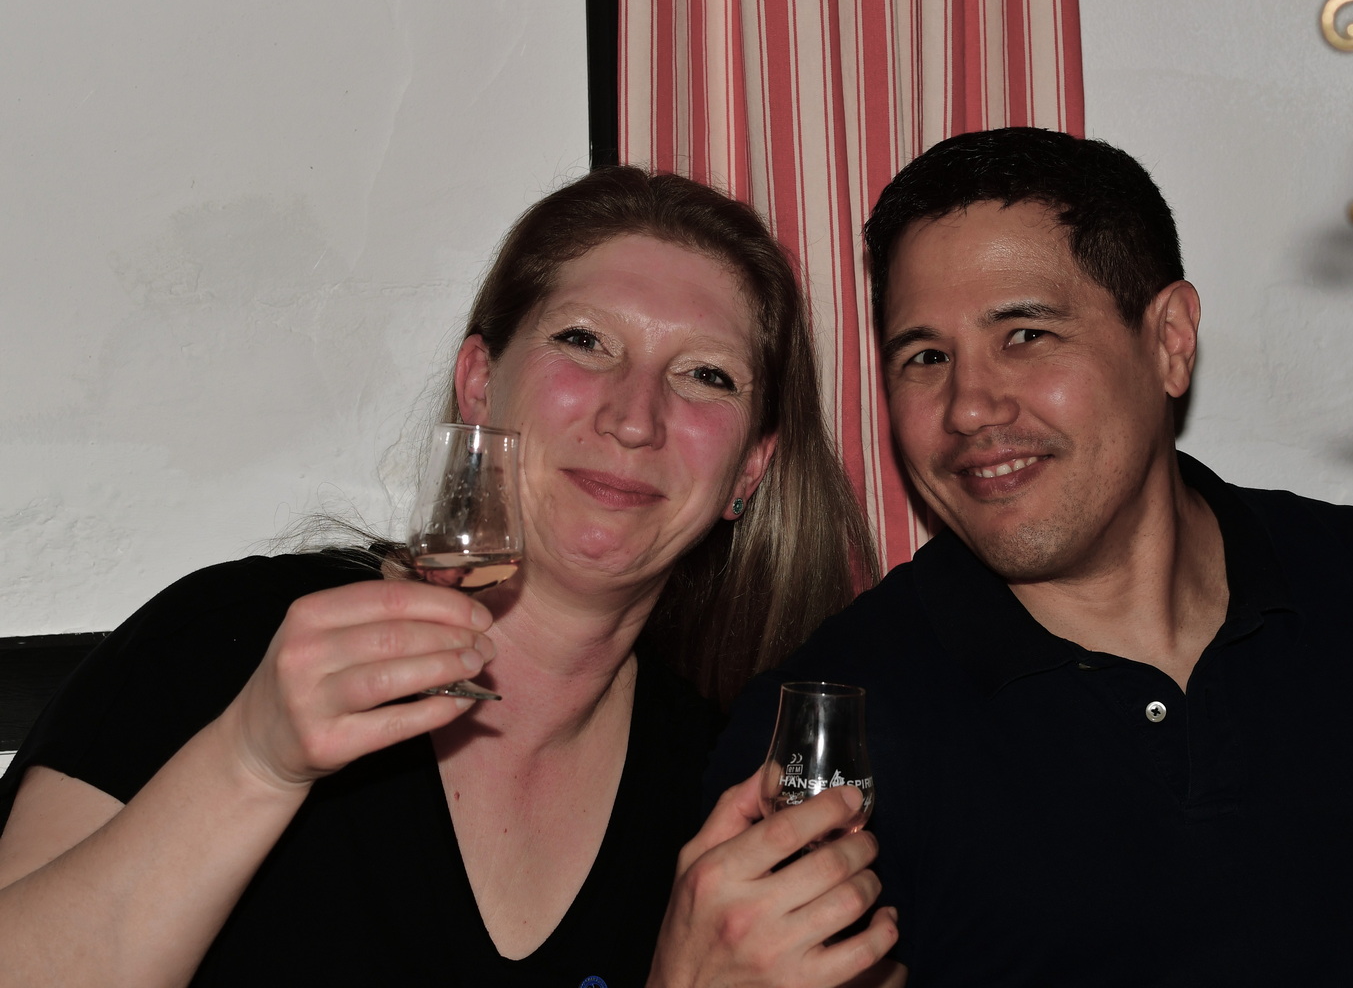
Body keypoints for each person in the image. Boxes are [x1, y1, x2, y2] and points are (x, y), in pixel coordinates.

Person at [707, 128, 1353, 986]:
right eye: (924, 357)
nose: (969, 406)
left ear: (1170, 341)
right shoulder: (829, 725)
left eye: (1025, 335)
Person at [0, 166, 899, 987]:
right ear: (478, 384)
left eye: (705, 375)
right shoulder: (225, 646)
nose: (635, 418)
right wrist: (251, 761)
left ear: (750, 469)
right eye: (585, 341)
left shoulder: (721, 787)